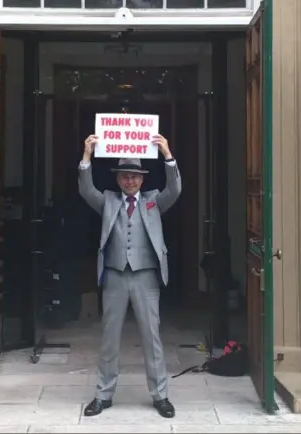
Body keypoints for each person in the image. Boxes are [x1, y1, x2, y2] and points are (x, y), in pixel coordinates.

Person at [78, 133, 182, 418]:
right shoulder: (109, 201)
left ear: (142, 179)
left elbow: (174, 190)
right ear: (118, 179)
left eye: (134, 176)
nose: (130, 181)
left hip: (145, 276)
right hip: (114, 276)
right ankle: (103, 394)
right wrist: (87, 156)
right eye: (125, 176)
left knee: (152, 336)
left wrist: (168, 155)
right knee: (109, 337)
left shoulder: (153, 201)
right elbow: (87, 190)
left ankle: (160, 395)